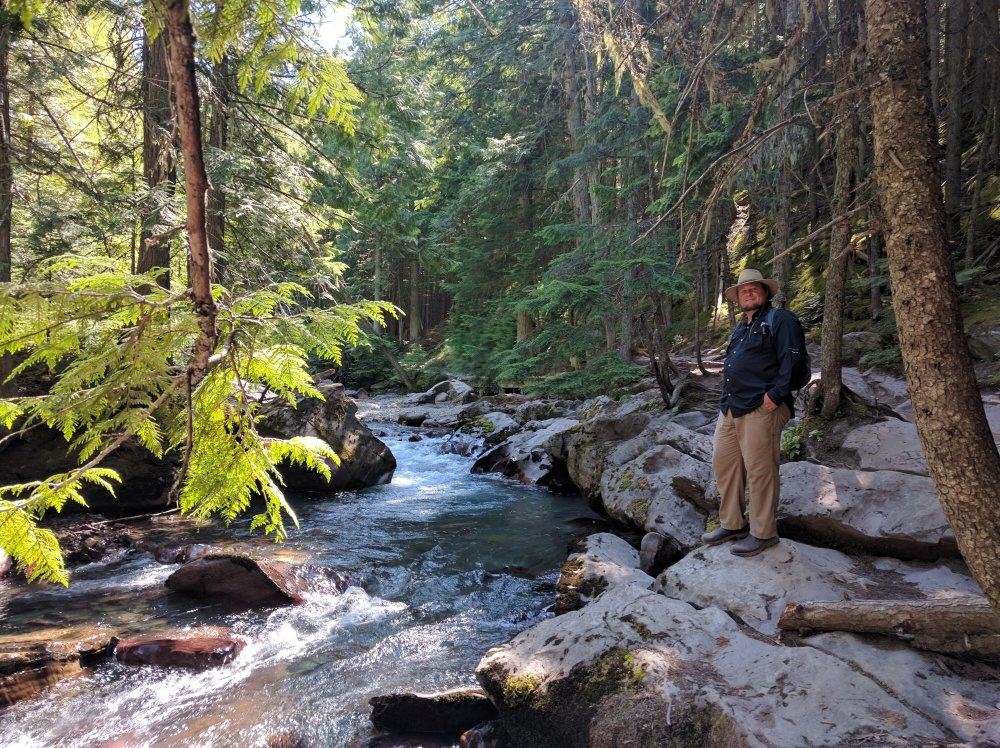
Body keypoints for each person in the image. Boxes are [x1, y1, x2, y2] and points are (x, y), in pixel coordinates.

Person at [700, 268, 805, 557]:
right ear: (738, 297)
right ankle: (733, 524)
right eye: (743, 290)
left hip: (762, 408)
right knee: (725, 466)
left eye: (753, 288)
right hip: (730, 408)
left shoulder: (781, 320)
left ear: (765, 292)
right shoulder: (741, 327)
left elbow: (792, 361)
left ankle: (763, 533)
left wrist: (775, 395)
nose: (748, 292)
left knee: (761, 471)